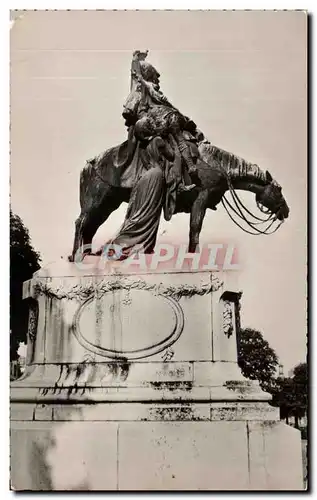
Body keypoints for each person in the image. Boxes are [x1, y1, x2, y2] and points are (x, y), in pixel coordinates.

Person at [125, 51, 199, 192]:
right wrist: (135, 60)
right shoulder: (145, 89)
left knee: (178, 142)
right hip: (157, 122)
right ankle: (187, 171)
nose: (157, 79)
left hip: (158, 121)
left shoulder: (145, 87)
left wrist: (136, 61)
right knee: (178, 143)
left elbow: (136, 77)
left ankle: (186, 172)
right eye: (154, 76)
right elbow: (135, 77)